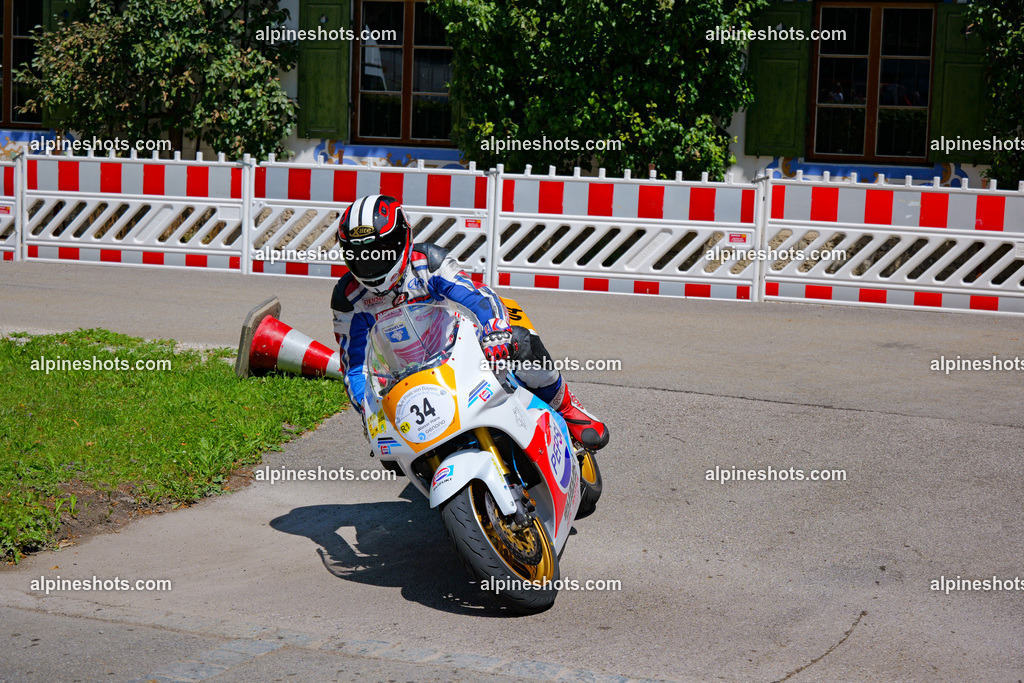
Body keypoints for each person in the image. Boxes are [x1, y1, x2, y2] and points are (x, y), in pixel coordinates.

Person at [331, 194, 609, 450]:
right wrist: (368, 409)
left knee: (520, 342)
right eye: (360, 254)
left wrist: (494, 328)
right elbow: (354, 368)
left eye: (381, 250)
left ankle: (566, 407)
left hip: (457, 355)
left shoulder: (428, 262)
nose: (371, 261)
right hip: (405, 383)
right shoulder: (348, 298)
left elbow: (478, 297)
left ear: (403, 237)